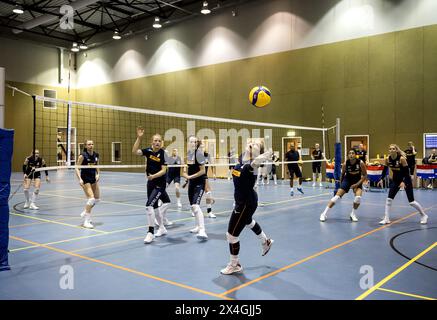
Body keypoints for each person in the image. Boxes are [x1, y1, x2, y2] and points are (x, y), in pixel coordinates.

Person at [221, 141, 274, 275]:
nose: (251, 143)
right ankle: (265, 241)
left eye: (255, 144)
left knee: (231, 235)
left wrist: (267, 154)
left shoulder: (253, 165)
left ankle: (235, 264)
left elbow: (256, 161)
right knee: (249, 221)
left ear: (258, 152)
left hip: (246, 203)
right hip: (243, 200)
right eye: (251, 141)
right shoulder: (242, 158)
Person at [132, 128, 171, 243]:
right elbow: (134, 151)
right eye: (155, 140)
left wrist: (153, 176)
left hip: (160, 184)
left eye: (159, 141)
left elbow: (164, 170)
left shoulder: (164, 154)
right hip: (150, 183)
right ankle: (162, 228)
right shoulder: (148, 151)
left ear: (161, 142)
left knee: (148, 206)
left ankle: (150, 232)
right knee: (154, 207)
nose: (157, 142)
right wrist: (139, 138)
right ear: (152, 142)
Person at [377, 144, 428, 225]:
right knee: (389, 199)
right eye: (390, 149)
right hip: (396, 181)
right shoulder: (387, 159)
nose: (391, 150)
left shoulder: (401, 159)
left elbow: (407, 173)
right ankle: (386, 219)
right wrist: (381, 179)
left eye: (393, 149)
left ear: (396, 150)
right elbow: (385, 170)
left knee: (411, 202)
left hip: (406, 180)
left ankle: (424, 215)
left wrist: (403, 182)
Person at [320, 149, 367, 222]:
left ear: (355, 155)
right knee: (337, 196)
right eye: (349, 153)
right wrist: (341, 186)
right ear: (348, 155)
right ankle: (323, 214)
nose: (351, 154)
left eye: (353, 153)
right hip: (347, 180)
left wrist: (357, 184)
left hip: (357, 181)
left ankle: (352, 214)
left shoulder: (360, 163)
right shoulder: (345, 164)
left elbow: (365, 175)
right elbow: (342, 174)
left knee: (358, 198)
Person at [184, 136, 208, 240]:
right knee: (192, 206)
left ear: (197, 143)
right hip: (191, 183)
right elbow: (188, 169)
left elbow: (203, 171)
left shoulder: (199, 154)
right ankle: (198, 226)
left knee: (195, 205)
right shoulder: (189, 154)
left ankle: (202, 230)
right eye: (191, 141)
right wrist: (186, 178)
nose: (193, 143)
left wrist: (190, 177)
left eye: (194, 142)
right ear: (188, 143)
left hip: (199, 183)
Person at [75, 141, 100, 229]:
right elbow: (77, 168)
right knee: (91, 199)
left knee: (97, 199)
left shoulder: (96, 155)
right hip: (85, 179)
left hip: (93, 178)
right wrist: (80, 179)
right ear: (85, 146)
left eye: (92, 144)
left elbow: (97, 165)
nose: (91, 145)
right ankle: (86, 221)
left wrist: (98, 174)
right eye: (89, 144)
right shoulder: (82, 155)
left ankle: (86, 211)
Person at [203, 149, 216, 218]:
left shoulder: (207, 156)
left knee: (208, 192)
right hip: (197, 177)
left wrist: (214, 173)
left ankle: (209, 211)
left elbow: (212, 165)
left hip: (204, 176)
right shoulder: (196, 155)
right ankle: (193, 209)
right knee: (195, 195)